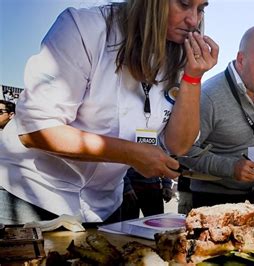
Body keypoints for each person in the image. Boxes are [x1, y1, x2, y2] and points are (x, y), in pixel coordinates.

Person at [0, 0, 218, 224]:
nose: (194, 20)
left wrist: (193, 77)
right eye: (183, 4)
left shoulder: (178, 54)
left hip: (104, 208)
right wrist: (131, 153)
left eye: (201, 9)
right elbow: (35, 129)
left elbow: (179, 145)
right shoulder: (85, 28)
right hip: (31, 197)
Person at [179, 25, 254, 208]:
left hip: (251, 197)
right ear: (241, 59)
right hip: (211, 202)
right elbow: (183, 152)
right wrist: (231, 168)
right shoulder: (209, 96)